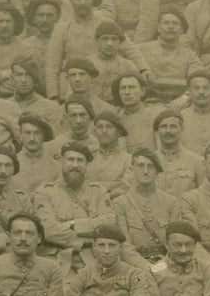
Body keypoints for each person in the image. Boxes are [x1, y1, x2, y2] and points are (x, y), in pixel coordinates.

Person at [33, 142, 120, 272]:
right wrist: (86, 239)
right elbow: (47, 231)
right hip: (57, 260)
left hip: (93, 259)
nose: (75, 165)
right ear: (61, 162)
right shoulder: (45, 192)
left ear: (86, 165)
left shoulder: (98, 191)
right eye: (70, 160)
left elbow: (109, 223)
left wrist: (71, 224)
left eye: (80, 161)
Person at [112, 148, 180, 263]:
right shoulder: (120, 204)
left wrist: (162, 266)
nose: (145, 171)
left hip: (167, 264)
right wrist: (144, 267)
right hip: (135, 266)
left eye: (150, 166)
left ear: (157, 172)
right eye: (140, 166)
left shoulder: (171, 202)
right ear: (132, 169)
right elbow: (125, 246)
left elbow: (176, 240)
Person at [136, 9, 201, 102]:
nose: (170, 27)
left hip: (178, 103)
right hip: (147, 101)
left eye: (175, 23)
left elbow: (198, 80)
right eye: (166, 23)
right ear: (158, 27)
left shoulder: (190, 56)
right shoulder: (141, 50)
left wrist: (184, 98)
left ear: (182, 29)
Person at [152, 110, 204, 197]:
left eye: (173, 126)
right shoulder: (150, 161)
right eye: (164, 126)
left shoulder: (197, 161)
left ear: (182, 129)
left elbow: (203, 197)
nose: (168, 131)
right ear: (157, 131)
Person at [11, 113, 59, 197]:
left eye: (37, 133)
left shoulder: (55, 167)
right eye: (27, 133)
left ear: (44, 135)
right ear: (20, 135)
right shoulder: (9, 165)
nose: (32, 138)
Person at [88, 113, 133, 195]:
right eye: (100, 127)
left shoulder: (128, 160)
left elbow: (126, 187)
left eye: (109, 127)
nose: (104, 131)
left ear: (119, 131)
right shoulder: (88, 157)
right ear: (95, 131)